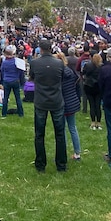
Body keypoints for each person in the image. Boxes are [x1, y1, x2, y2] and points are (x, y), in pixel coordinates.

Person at [29, 40, 66, 173]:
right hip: (56, 101)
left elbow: (31, 78)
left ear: (40, 49)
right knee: (60, 134)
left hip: (41, 101)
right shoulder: (59, 63)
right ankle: (61, 164)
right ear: (51, 49)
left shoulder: (35, 63)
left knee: (39, 134)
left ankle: (40, 164)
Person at [56, 52, 82, 160]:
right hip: (72, 102)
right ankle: (77, 152)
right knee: (72, 128)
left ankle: (63, 153)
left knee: (62, 129)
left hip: (62, 103)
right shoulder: (71, 72)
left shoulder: (59, 74)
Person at [0, 45, 25, 118]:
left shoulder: (4, 62)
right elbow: (21, 72)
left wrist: (2, 80)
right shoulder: (17, 61)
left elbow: (2, 71)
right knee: (18, 98)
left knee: (6, 98)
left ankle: (4, 113)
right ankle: (21, 113)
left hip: (6, 81)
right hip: (15, 81)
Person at [82, 52, 103, 130]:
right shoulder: (101, 67)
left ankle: (93, 122)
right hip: (98, 87)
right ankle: (99, 122)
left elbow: (83, 73)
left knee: (92, 105)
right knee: (98, 105)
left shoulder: (87, 65)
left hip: (89, 86)